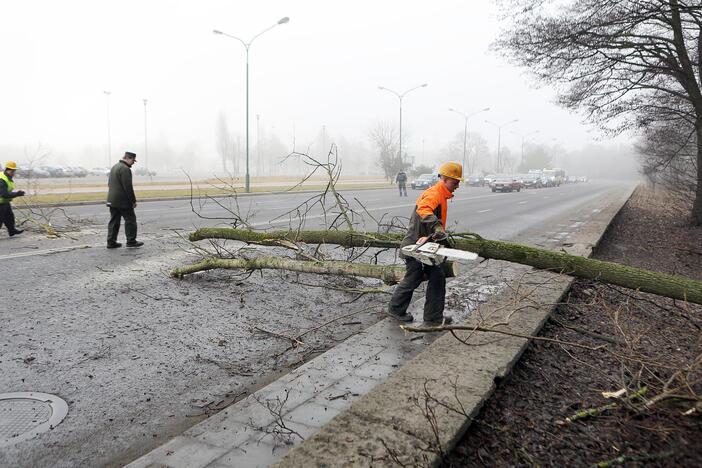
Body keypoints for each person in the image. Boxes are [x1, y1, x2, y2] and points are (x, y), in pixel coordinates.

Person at [387, 162, 462, 325]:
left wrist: (441, 237)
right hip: (415, 246)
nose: (457, 185)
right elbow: (424, 209)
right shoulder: (435, 193)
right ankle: (395, 309)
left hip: (426, 245)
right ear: (445, 179)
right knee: (413, 276)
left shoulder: (442, 194)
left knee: (437, 276)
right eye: (455, 182)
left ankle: (433, 317)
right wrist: (436, 226)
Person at [106, 151, 143, 248]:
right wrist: (133, 201)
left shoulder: (114, 167)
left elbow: (109, 183)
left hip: (112, 200)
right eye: (133, 161)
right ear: (128, 158)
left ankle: (111, 242)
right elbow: (128, 187)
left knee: (114, 221)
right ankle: (131, 241)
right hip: (123, 201)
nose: (133, 163)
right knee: (130, 220)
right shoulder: (125, 169)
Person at [0, 161, 26, 237]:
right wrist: (17, 194)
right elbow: (5, 194)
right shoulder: (2, 180)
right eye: (12, 171)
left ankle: (12, 230)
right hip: (1, 203)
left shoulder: (7, 177)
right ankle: (12, 230)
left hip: (4, 202)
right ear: (7, 170)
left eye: (14, 171)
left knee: (10, 217)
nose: (13, 173)